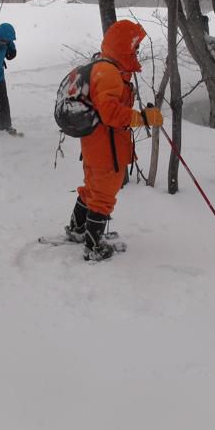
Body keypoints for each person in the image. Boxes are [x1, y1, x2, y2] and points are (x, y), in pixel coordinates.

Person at [64, 19, 163, 261]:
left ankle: (78, 229)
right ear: (123, 46)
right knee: (104, 193)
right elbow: (110, 113)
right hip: (105, 146)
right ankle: (93, 245)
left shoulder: (103, 67)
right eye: (134, 47)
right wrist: (143, 117)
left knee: (93, 187)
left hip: (94, 144)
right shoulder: (108, 72)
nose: (137, 51)